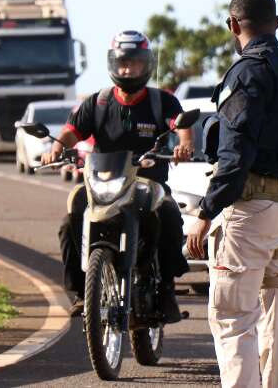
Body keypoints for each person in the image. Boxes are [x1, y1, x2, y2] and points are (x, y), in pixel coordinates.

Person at [186, 0, 278, 388]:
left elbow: (233, 159)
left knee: (233, 317)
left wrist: (204, 213)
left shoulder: (245, 73)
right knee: (276, 307)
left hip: (248, 214)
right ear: (276, 23)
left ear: (233, 25)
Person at [40, 30, 193, 321]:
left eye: (134, 63)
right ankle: (80, 292)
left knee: (170, 215)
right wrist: (57, 148)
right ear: (113, 63)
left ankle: (168, 289)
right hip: (103, 183)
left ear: (145, 65)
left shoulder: (162, 101)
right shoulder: (98, 102)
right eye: (123, 63)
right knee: (70, 217)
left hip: (148, 183)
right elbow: (72, 131)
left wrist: (185, 144)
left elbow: (180, 123)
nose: (128, 69)